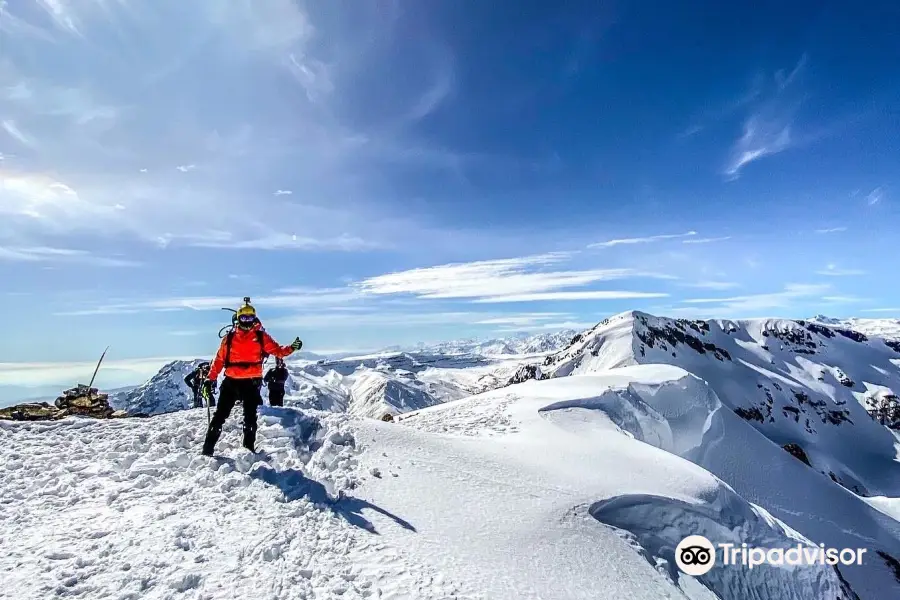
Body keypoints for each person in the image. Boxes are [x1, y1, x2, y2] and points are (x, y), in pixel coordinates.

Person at [201, 300, 302, 456]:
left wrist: (292, 348)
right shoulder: (230, 338)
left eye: (250, 318)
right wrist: (210, 378)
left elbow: (278, 351)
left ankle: (247, 450)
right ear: (238, 319)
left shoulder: (261, 337)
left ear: (254, 318)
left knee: (250, 418)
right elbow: (219, 360)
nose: (247, 321)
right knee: (220, 416)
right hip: (232, 382)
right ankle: (207, 451)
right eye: (244, 318)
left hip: (250, 383)